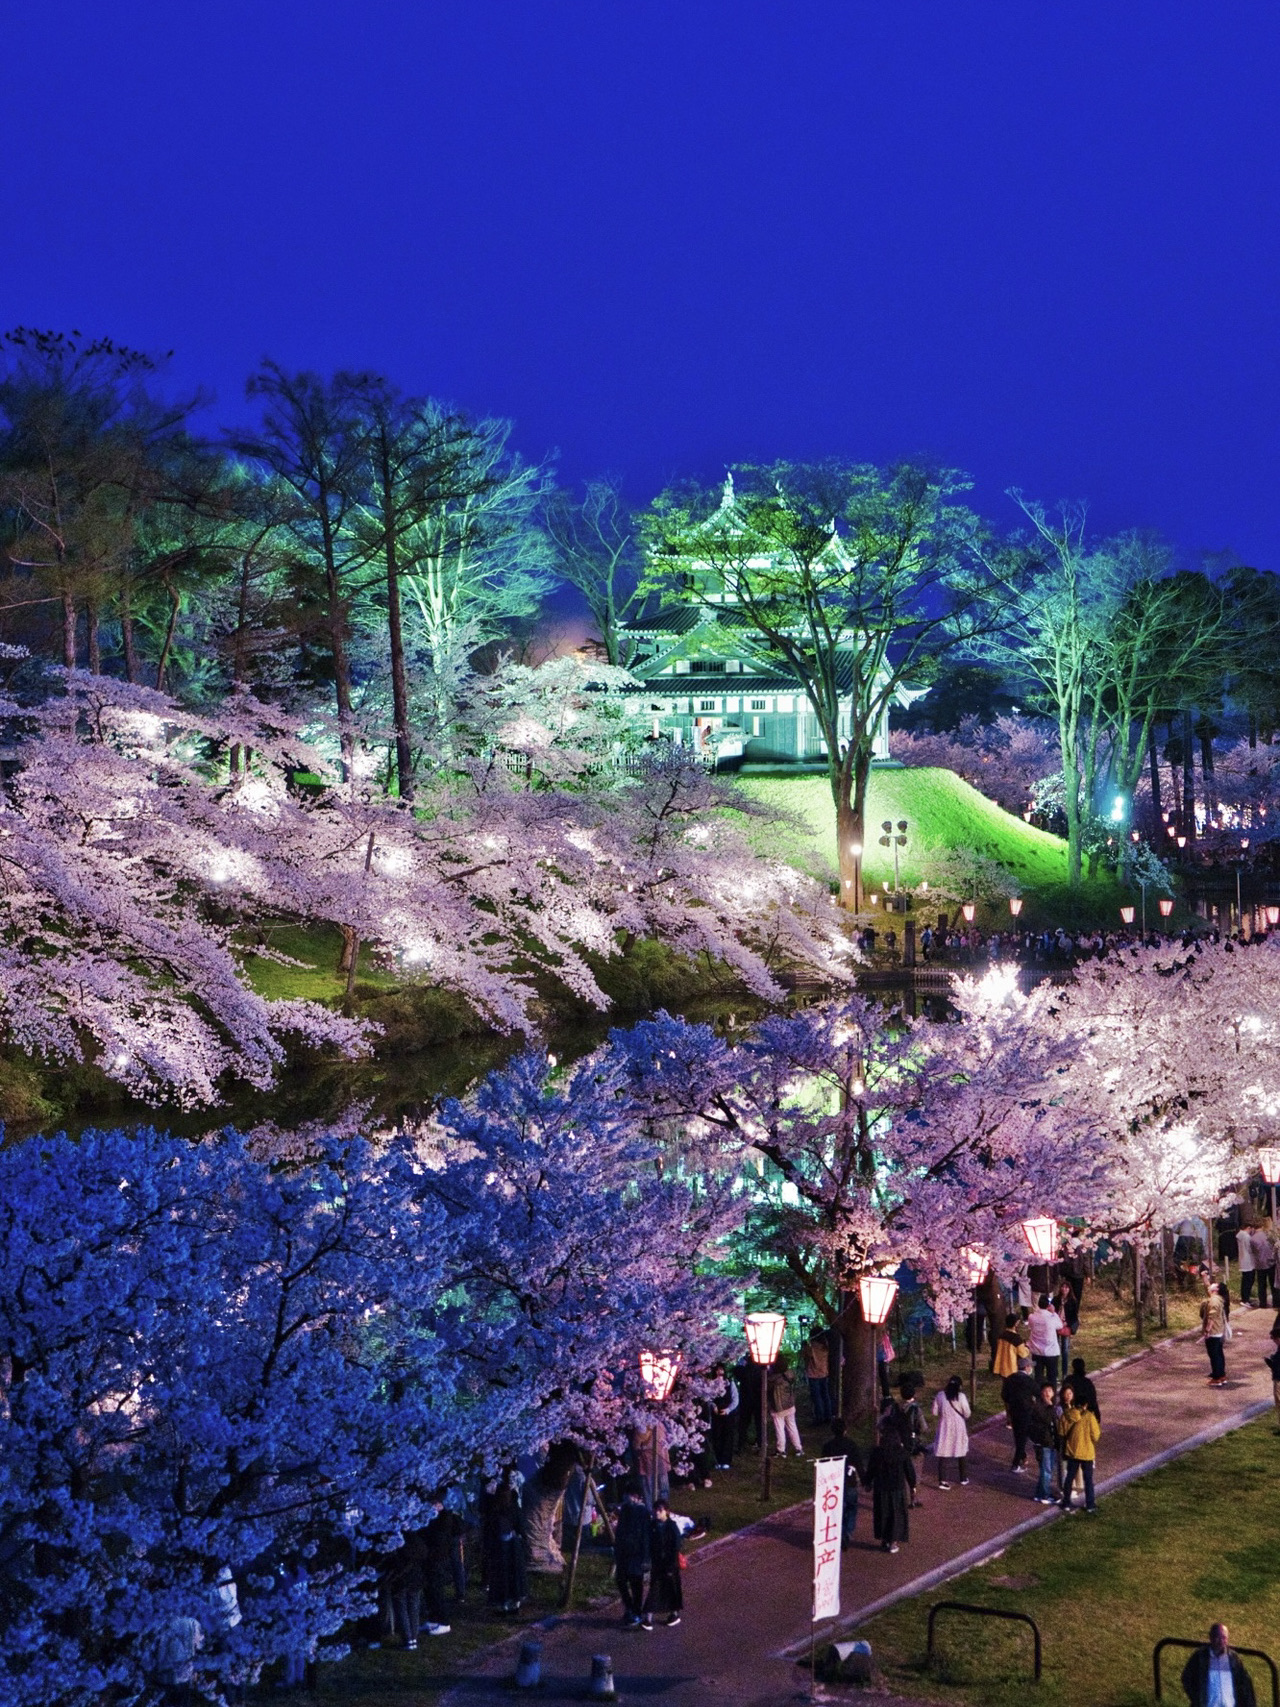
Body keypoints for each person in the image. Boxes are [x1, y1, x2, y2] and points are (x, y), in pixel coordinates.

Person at [1180, 1622, 1258, 1707]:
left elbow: (1244, 1684)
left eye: (1224, 1637)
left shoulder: (1233, 1658)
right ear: (1210, 1637)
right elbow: (1187, 1678)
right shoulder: (1200, 1656)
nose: (1221, 1641)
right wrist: (1197, 1699)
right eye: (1218, 1637)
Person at [866, 1422, 911, 1553]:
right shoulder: (901, 1453)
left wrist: (867, 1482)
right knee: (896, 1515)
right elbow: (909, 1470)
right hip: (897, 1488)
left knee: (882, 1514)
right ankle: (893, 1541)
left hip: (881, 1488)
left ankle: (884, 1539)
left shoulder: (877, 1452)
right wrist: (913, 1485)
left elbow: (871, 1469)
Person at [820, 1417, 864, 1548]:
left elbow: (824, 1465)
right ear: (845, 1430)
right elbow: (859, 1464)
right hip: (849, 1482)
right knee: (851, 1507)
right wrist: (865, 1480)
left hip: (833, 1483)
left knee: (835, 1510)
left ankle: (837, 1532)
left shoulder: (827, 1446)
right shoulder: (852, 1445)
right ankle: (847, 1532)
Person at [1057, 1382, 1100, 1514]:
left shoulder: (1066, 1415)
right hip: (1087, 1453)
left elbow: (1061, 1432)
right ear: (1085, 1405)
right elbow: (1096, 1436)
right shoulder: (1090, 1417)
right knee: (1088, 1480)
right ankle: (1090, 1504)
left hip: (1071, 1451)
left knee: (1069, 1478)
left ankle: (1066, 1502)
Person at [614, 1484, 652, 1628]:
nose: (625, 1497)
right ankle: (630, 1608)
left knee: (636, 1584)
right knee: (621, 1580)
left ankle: (636, 1611)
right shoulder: (625, 1509)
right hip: (623, 1553)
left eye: (628, 1495)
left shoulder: (642, 1512)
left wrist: (646, 1557)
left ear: (636, 1497)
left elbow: (645, 1536)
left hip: (637, 1554)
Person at [643, 1498, 684, 1628]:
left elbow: (676, 1545)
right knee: (655, 1590)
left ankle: (672, 1614)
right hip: (657, 1564)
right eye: (655, 1510)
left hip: (669, 1564)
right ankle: (648, 1618)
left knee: (671, 1589)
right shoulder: (652, 1526)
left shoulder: (671, 1526)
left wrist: (671, 1565)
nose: (657, 1512)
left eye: (660, 1510)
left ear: (666, 1511)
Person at [931, 1375, 971, 1489]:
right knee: (961, 1450)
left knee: (943, 1451)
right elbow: (967, 1413)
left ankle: (942, 1481)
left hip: (944, 1426)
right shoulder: (961, 1397)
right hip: (959, 1427)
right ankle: (963, 1478)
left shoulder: (940, 1395)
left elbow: (934, 1412)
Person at [1001, 1364, 1038, 1473]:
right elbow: (1038, 1392)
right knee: (1022, 1437)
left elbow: (1004, 1395)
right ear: (1026, 1367)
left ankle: (1022, 1456)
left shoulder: (1010, 1378)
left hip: (1013, 1411)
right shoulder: (1028, 1380)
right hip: (1025, 1412)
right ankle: (1016, 1463)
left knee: (1017, 1435)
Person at [1029, 1381, 1060, 1503]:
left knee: (1046, 1469)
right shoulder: (1038, 1407)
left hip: (1050, 1442)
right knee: (1046, 1470)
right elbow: (1046, 1419)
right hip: (1043, 1443)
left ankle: (1039, 1494)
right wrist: (1051, 1406)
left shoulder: (1052, 1407)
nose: (1048, 1393)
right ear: (1041, 1393)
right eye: (1045, 1391)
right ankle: (1045, 1495)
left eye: (1050, 1391)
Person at [1026, 1293, 1064, 1390]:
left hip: (1036, 1351)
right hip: (1051, 1352)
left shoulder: (1031, 1317)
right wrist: (1054, 1312)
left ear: (1038, 1304)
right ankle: (1052, 1395)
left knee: (1038, 1377)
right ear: (1048, 1305)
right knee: (1052, 1377)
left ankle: (1039, 1396)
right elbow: (1060, 1325)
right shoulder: (1051, 1317)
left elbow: (1030, 1326)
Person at [768, 1354, 804, 1458]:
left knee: (780, 1429)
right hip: (790, 1405)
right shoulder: (789, 1375)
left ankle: (781, 1450)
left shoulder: (772, 1380)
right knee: (792, 1427)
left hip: (778, 1407)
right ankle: (798, 1448)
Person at [709, 1362, 739, 1469]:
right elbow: (709, 1398)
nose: (719, 1372)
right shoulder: (711, 1384)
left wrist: (729, 1409)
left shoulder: (730, 1383)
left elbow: (735, 1398)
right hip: (716, 1413)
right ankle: (718, 1460)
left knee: (727, 1436)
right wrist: (713, 1406)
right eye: (717, 1370)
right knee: (717, 1436)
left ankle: (726, 1460)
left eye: (721, 1370)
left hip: (727, 1413)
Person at [1201, 1277, 1228, 1386]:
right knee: (1219, 1353)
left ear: (1216, 1290)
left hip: (1213, 1331)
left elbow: (1212, 1317)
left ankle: (1216, 1378)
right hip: (1218, 1330)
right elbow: (1208, 1287)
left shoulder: (1214, 1300)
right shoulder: (1217, 1298)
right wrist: (1204, 1277)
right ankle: (1221, 1375)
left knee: (1214, 1355)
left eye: (1215, 1285)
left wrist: (1207, 1330)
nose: (1212, 1284)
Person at [803, 1329, 832, 1424]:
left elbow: (805, 1356)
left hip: (814, 1375)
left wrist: (804, 1345)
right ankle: (828, 1415)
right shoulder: (825, 1346)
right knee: (825, 1395)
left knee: (817, 1397)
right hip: (824, 1373)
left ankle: (819, 1417)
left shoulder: (812, 1347)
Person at [991, 1312, 1023, 1379]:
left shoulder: (1001, 1336)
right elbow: (1023, 1353)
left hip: (1002, 1366)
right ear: (1016, 1323)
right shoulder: (1016, 1338)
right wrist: (1027, 1348)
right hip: (1012, 1367)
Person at [1068, 1357, 1101, 1422]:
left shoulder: (1068, 1380)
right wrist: (1097, 1415)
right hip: (1086, 1414)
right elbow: (1093, 1400)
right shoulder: (1087, 1382)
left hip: (1071, 1412)